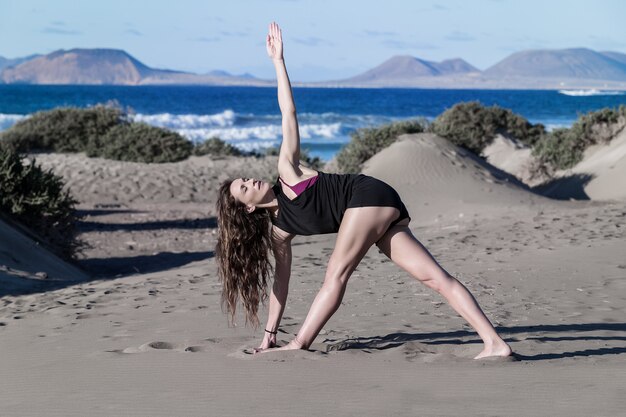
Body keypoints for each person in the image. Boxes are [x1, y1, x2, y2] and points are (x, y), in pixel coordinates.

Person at [215, 22, 512, 360]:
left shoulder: (288, 171)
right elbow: (280, 286)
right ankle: (495, 343)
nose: (250, 181)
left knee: (335, 273)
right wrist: (269, 334)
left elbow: (289, 113)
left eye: (246, 179)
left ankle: (299, 345)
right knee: (434, 278)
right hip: (380, 210)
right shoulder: (280, 234)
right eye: (244, 188)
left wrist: (278, 62)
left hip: (367, 194)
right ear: (248, 209)